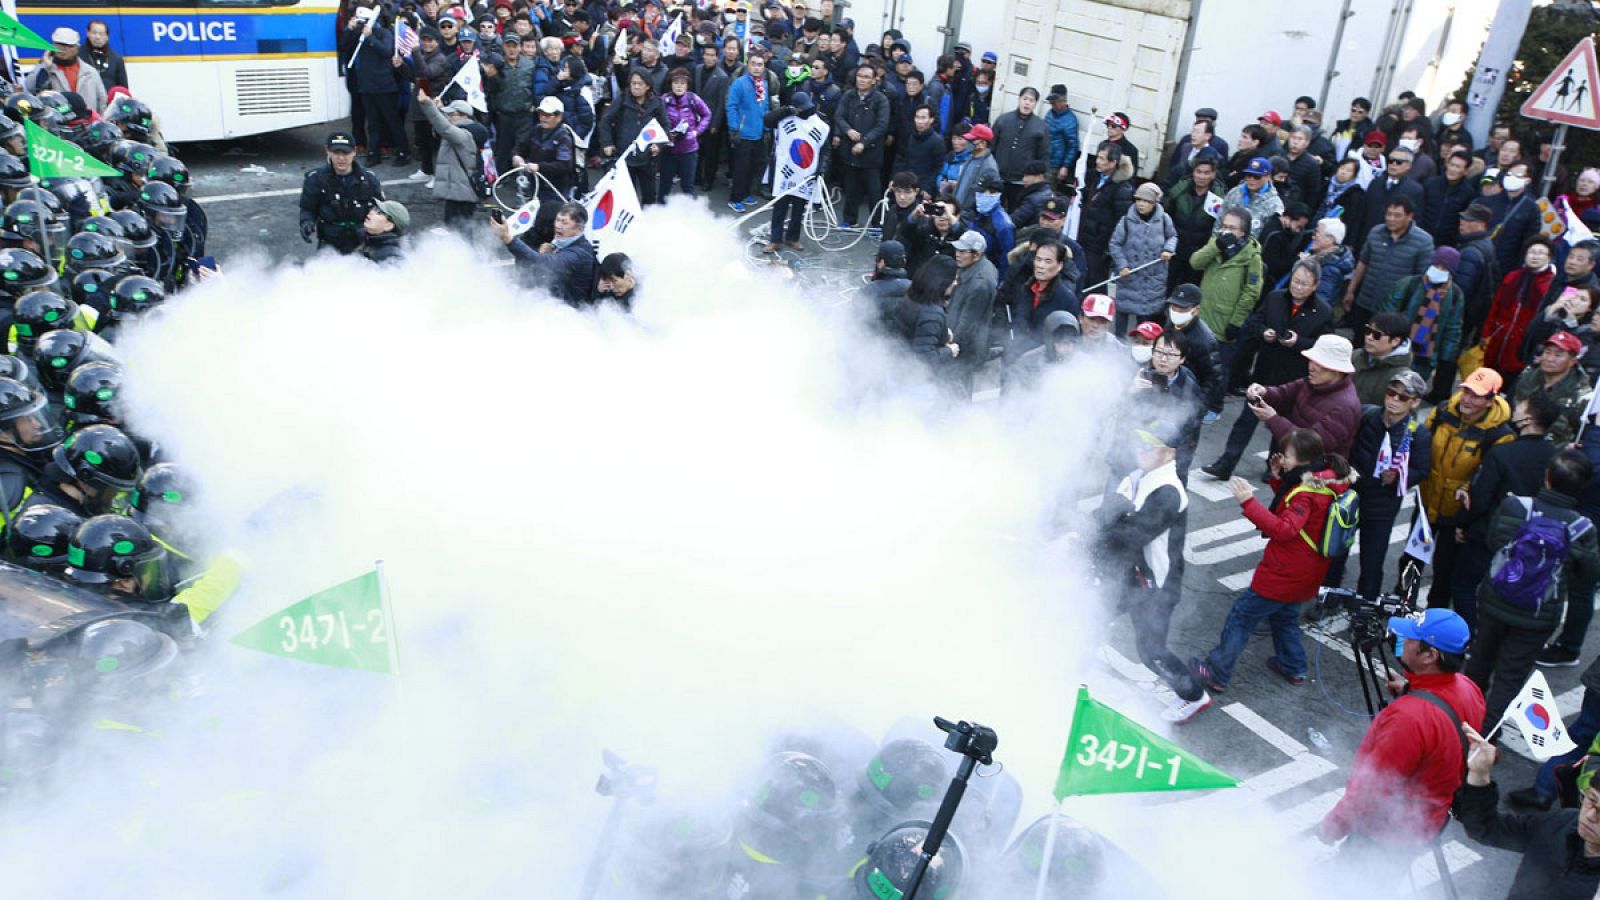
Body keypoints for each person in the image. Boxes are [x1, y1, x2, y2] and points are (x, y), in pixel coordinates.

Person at [1192, 427, 1352, 692]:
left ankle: (1216, 672)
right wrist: (1280, 477)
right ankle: (1294, 666)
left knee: (1242, 617)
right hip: (1309, 571)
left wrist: (1248, 503)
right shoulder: (1325, 481)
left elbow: (1284, 529)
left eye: (1286, 454)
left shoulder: (1306, 493)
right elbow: (1296, 510)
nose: (1281, 458)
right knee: (1285, 618)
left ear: (1301, 458)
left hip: (1284, 573)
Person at [1319, 610, 1483, 865]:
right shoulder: (1467, 687)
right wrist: (1411, 688)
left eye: (1410, 639)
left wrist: (1335, 824)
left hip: (1385, 833)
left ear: (1430, 655)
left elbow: (1376, 787)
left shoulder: (1407, 719)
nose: (1402, 640)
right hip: (1427, 821)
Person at [1470, 450, 1600, 730]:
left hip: (1495, 600)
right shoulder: (1581, 528)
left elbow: (1494, 542)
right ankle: (1485, 736)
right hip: (1538, 614)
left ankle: (1462, 718)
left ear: (1547, 477)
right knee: (1510, 676)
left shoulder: (1516, 507)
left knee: (1480, 661)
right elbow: (1589, 574)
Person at [1095, 421, 1211, 723]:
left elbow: (1129, 535)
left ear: (1170, 453)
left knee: (1151, 651)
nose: (1141, 450)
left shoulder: (1168, 492)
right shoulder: (1138, 475)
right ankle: (1078, 660)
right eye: (1139, 443)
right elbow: (1110, 516)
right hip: (1132, 575)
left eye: (1150, 445)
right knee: (1095, 612)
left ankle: (1194, 695)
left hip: (1155, 587)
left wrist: (1087, 540)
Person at [1452, 391, 1563, 631]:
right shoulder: (1555, 457)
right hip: (1529, 539)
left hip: (1488, 534)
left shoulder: (1502, 453)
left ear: (1529, 419)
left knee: (1464, 585)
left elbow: (1480, 499)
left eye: (1522, 405)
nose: (1517, 407)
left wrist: (1463, 524)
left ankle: (1469, 635)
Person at [1457, 725, 1600, 898]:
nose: (1590, 816)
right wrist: (1479, 775)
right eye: (1591, 800)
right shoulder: (1559, 823)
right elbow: (1485, 828)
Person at [1339, 370, 1431, 599]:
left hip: (1382, 506)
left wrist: (1401, 477)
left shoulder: (1418, 434)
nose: (1394, 400)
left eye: (1403, 397)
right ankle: (1329, 599)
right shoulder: (1367, 415)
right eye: (1392, 392)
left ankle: (1365, 610)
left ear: (1415, 402)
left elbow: (1422, 470)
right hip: (1352, 497)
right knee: (1336, 554)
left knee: (1371, 562)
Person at [1343, 196, 1434, 336]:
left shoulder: (1423, 242)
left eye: (1397, 215)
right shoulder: (1375, 232)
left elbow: (1422, 279)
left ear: (1409, 216)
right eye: (1388, 214)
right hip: (1365, 301)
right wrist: (1351, 290)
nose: (1391, 219)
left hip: (1393, 310)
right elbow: (1363, 262)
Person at [1192, 208, 1263, 375]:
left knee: (1218, 370)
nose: (1226, 231)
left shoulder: (1252, 256)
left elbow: (1251, 291)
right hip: (1203, 314)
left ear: (1243, 232)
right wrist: (1215, 247)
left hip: (1224, 320)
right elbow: (1195, 262)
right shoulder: (1216, 243)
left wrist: (1236, 322)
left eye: (1232, 228)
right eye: (1224, 226)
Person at [492, 201, 596, 306]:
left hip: (566, 312)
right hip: (549, 301)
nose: (558, 226)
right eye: (557, 220)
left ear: (579, 228)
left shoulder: (579, 254)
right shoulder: (561, 243)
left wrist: (507, 238)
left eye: (564, 223)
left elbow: (542, 263)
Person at [298, 132, 386, 255]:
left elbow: (382, 209)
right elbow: (308, 208)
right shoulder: (315, 179)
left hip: (363, 240)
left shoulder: (369, 178)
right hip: (330, 241)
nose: (341, 158)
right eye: (336, 153)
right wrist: (306, 222)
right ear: (327, 151)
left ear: (354, 151)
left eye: (346, 153)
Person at [1107, 181, 1176, 334]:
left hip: (1152, 279)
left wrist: (1168, 249)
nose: (1141, 204)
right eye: (1139, 200)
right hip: (1129, 277)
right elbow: (1115, 244)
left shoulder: (1164, 220)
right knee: (1122, 319)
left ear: (1155, 202)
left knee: (1144, 322)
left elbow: (1172, 236)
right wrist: (1122, 265)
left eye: (1146, 201)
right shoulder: (1126, 221)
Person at [1484, 238, 1558, 380]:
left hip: (1522, 344)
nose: (1535, 256)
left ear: (1549, 258)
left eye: (1541, 253)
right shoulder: (1513, 276)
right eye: (1532, 252)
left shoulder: (1549, 285)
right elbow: (1496, 305)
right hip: (1499, 337)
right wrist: (1487, 332)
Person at [832, 65, 890, 229]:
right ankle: (849, 220)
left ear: (873, 80)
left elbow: (882, 125)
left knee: (874, 192)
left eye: (866, 77)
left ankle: (877, 224)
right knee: (850, 189)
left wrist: (864, 142)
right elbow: (839, 116)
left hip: (871, 153)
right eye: (859, 76)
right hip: (849, 151)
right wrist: (847, 130)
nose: (862, 80)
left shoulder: (880, 99)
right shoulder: (849, 96)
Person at [600, 70, 668, 207]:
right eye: (633, 83)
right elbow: (605, 121)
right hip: (625, 156)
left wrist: (658, 145)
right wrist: (607, 143)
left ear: (647, 86)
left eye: (640, 84)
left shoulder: (656, 103)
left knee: (649, 197)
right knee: (624, 197)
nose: (636, 87)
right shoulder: (622, 99)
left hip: (647, 158)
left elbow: (665, 126)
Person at [417, 94, 484, 225]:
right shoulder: (467, 130)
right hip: (460, 192)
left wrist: (428, 104)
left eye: (452, 114)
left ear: (464, 116)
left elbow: (444, 127)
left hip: (460, 194)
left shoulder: (464, 135)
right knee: (459, 230)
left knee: (459, 232)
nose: (448, 118)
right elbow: (445, 125)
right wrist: (439, 108)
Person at [1163, 283, 1226, 424]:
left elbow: (1213, 379)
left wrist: (1195, 409)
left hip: (1186, 401)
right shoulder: (1171, 324)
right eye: (1174, 306)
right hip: (1165, 395)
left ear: (1196, 310)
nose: (1176, 311)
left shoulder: (1205, 341)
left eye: (1182, 308)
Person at [1077, 141, 1134, 292]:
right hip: (1086, 237)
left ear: (1113, 163)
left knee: (1096, 282)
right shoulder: (1097, 178)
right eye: (1098, 157)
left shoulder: (1122, 188)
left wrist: (1110, 248)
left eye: (1102, 159)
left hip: (1100, 245)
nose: (1098, 162)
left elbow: (1121, 221)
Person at [725, 52, 777, 213]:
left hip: (759, 132)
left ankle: (746, 193)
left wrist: (767, 127)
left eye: (760, 64)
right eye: (753, 64)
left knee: (755, 166)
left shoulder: (764, 84)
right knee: (741, 168)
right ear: (748, 65)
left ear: (764, 67)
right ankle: (735, 198)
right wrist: (734, 128)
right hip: (743, 133)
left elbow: (766, 106)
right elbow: (731, 106)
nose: (756, 67)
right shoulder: (739, 83)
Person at [946, 229, 996, 394]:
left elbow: (967, 323)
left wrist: (950, 345)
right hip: (964, 343)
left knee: (957, 391)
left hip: (966, 349)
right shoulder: (976, 268)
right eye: (957, 250)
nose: (957, 255)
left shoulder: (979, 284)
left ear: (977, 254)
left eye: (962, 251)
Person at [1165, 153, 1224, 291]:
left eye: (1206, 173)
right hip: (1175, 252)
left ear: (1213, 175)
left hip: (1199, 255)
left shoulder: (1218, 197)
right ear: (1193, 172)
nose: (1202, 176)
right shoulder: (1179, 191)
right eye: (1199, 172)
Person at [895, 255, 960, 376]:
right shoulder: (932, 313)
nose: (955, 283)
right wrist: (949, 351)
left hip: (900, 365)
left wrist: (943, 334)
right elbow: (924, 358)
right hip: (919, 380)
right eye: (954, 279)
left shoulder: (912, 296)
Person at [990, 87, 1049, 209]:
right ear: (1019, 99)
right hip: (999, 177)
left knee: (1015, 212)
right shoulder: (1003, 120)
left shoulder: (1040, 126)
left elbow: (1043, 155)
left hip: (1021, 181)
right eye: (1025, 99)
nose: (1027, 103)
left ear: (1035, 104)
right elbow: (992, 147)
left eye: (1031, 100)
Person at [28, 28, 107, 117]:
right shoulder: (45, 69)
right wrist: (44, 66)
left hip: (87, 124)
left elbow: (102, 102)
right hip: (58, 125)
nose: (63, 49)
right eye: (59, 45)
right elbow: (30, 90)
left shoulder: (90, 72)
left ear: (77, 48)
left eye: (68, 45)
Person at [1350, 310, 1414, 405]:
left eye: (1377, 335)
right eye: (1368, 331)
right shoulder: (1356, 355)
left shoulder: (1401, 377)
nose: (1369, 337)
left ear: (1395, 341)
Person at [1219, 157, 1283, 239]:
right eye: (1248, 175)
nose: (1251, 179)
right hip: (1223, 243)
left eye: (1257, 176)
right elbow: (1220, 219)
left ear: (1268, 177)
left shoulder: (1275, 205)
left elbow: (1269, 237)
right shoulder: (1234, 193)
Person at [949, 124, 999, 214]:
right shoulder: (971, 157)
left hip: (968, 217)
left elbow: (984, 202)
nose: (967, 143)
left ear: (983, 144)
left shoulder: (989, 168)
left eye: (971, 140)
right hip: (957, 211)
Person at [1043, 84, 1079, 191]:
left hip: (1054, 165)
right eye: (1051, 102)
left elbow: (1073, 146)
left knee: (1047, 193)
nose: (1052, 104)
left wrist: (1065, 166)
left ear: (1063, 101)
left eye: (1054, 102)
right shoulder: (1050, 113)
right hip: (1042, 158)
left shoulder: (1070, 120)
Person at [82, 20, 128, 92]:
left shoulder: (116, 59)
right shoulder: (78, 56)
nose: (97, 37)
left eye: (101, 34)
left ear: (107, 37)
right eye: (94, 33)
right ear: (88, 33)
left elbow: (123, 89)